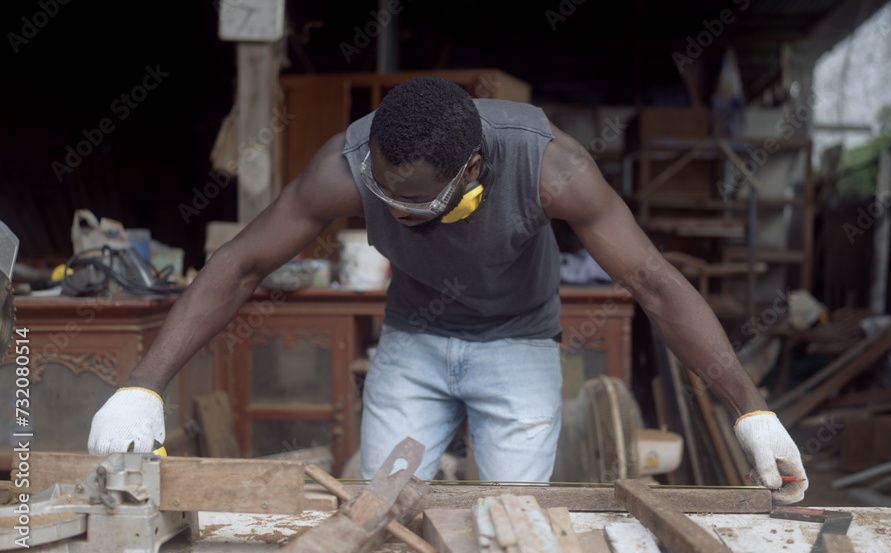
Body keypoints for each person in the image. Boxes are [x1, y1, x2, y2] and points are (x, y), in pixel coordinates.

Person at [89, 76, 808, 503]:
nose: (393, 211)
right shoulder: (347, 166)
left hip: (520, 343)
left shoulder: (550, 169)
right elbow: (243, 263)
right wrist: (143, 385)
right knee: (384, 511)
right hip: (413, 343)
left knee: (511, 517)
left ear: (470, 170)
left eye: (415, 205)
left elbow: (653, 281)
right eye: (382, 192)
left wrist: (751, 410)